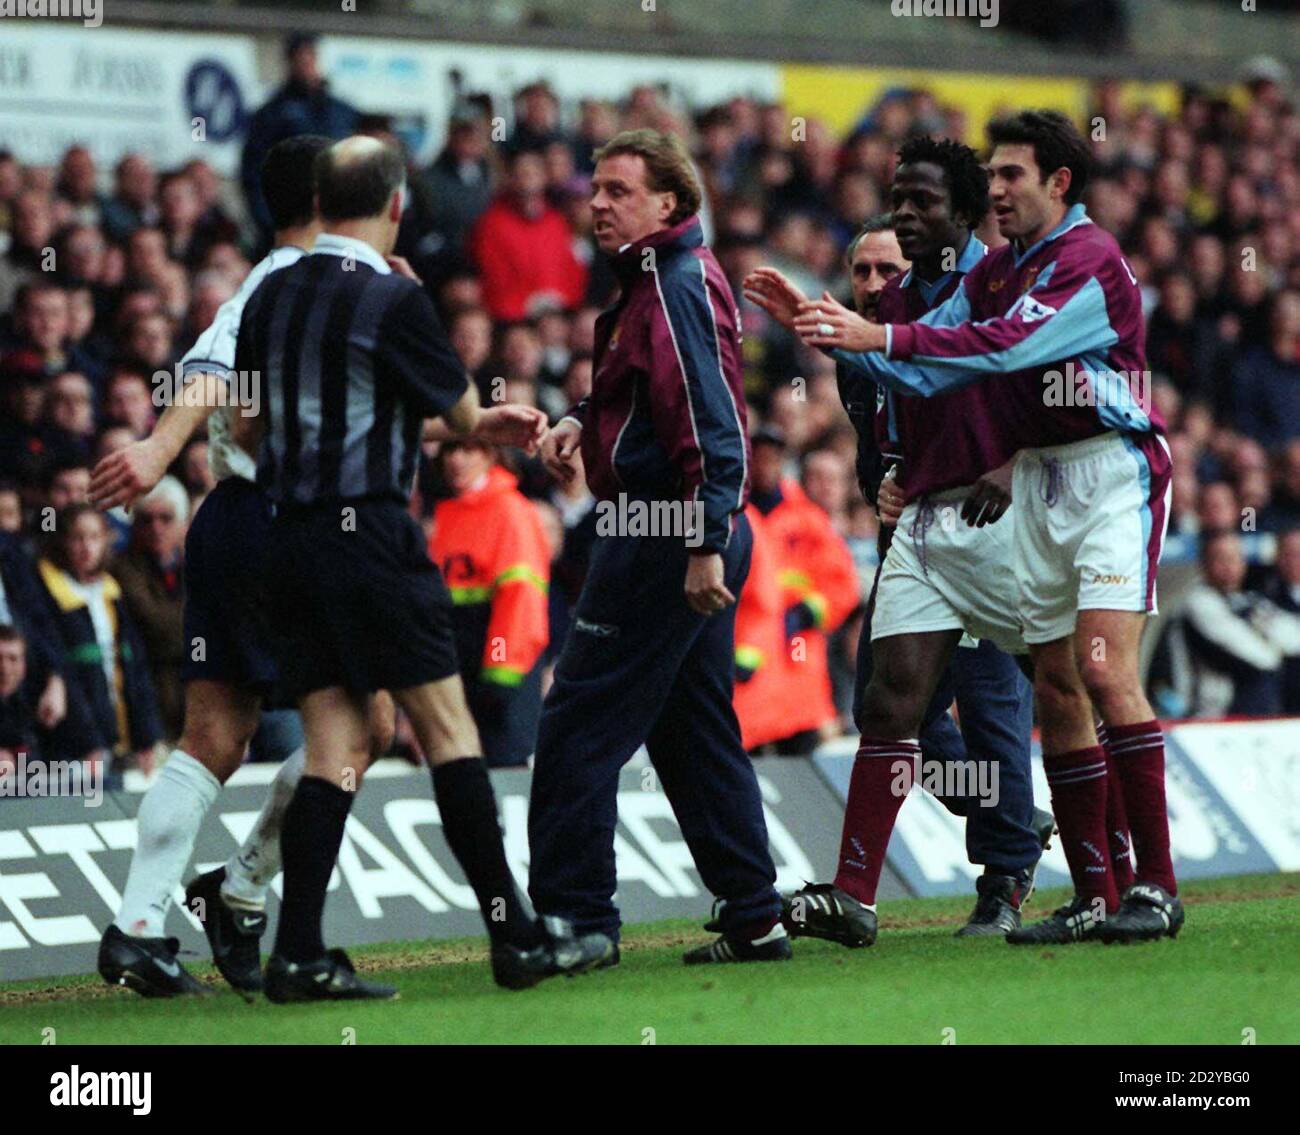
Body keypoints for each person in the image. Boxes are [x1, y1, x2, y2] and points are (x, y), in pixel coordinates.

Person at [91, 136, 552, 999]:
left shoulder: (278, 284)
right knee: (371, 728)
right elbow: (210, 375)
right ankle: (241, 896)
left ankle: (153, 922)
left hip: (245, 515)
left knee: (235, 738)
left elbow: (281, 406)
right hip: (291, 518)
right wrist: (156, 448)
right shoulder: (302, 283)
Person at [784, 110, 1180, 944]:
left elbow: (997, 348)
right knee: (1054, 690)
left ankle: (1154, 886)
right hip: (1026, 482)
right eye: (992, 175)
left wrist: (875, 332)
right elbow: (932, 353)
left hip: (1108, 472)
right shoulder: (1001, 269)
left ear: (1056, 184)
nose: (997, 189)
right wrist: (831, 333)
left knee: (1098, 676)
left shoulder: (1085, 259)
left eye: (1009, 176)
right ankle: (1094, 896)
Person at [237, 135, 609, 1001]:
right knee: (448, 731)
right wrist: (478, 421)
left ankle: (297, 953)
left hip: (289, 539)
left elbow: (251, 432)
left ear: (322, 202)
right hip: (370, 533)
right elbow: (459, 407)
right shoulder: (391, 298)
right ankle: (514, 935)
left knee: (334, 746)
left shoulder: (268, 297)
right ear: (396, 206)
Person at [746, 147, 1051, 941]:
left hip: (996, 525)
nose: (877, 284)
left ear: (961, 207)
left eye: (918, 205)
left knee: (1003, 701)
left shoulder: (1003, 281)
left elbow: (1032, 380)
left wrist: (1007, 461)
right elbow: (898, 409)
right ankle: (983, 829)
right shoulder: (872, 342)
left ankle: (1023, 875)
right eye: (864, 272)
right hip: (913, 530)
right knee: (885, 699)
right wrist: (891, 475)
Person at [532, 129, 787, 965]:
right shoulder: (660, 280)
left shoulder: (673, 283)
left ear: (668, 202)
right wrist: (584, 421)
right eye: (595, 189)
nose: (597, 204)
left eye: (617, 190)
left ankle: (577, 920)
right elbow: (652, 395)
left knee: (577, 719)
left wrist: (704, 537)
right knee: (690, 727)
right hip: (681, 527)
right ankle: (753, 911)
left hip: (664, 531)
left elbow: (715, 424)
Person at [428, 438, 550, 767]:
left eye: (468, 449)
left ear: (490, 454)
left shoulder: (510, 512)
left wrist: (498, 671)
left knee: (503, 776)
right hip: (460, 676)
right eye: (450, 450)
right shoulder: (446, 515)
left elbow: (519, 601)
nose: (457, 459)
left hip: (500, 678)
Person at [37, 504, 161, 780]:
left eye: (94, 537)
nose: (86, 547)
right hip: (74, 748)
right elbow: (66, 676)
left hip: (120, 740)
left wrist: (147, 737)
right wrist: (88, 742)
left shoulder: (112, 592)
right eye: (77, 538)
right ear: (63, 542)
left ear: (107, 540)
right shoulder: (50, 593)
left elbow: (136, 669)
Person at [239, 35, 359, 242]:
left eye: (310, 58)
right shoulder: (270, 115)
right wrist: (271, 224)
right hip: (291, 222)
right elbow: (254, 173)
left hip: (338, 223)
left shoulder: (343, 112)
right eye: (300, 59)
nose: (306, 65)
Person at [113, 476, 188, 739]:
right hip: (149, 696)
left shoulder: (203, 566)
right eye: (146, 519)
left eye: (165, 518)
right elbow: (159, 627)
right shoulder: (121, 569)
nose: (156, 527)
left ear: (183, 525)